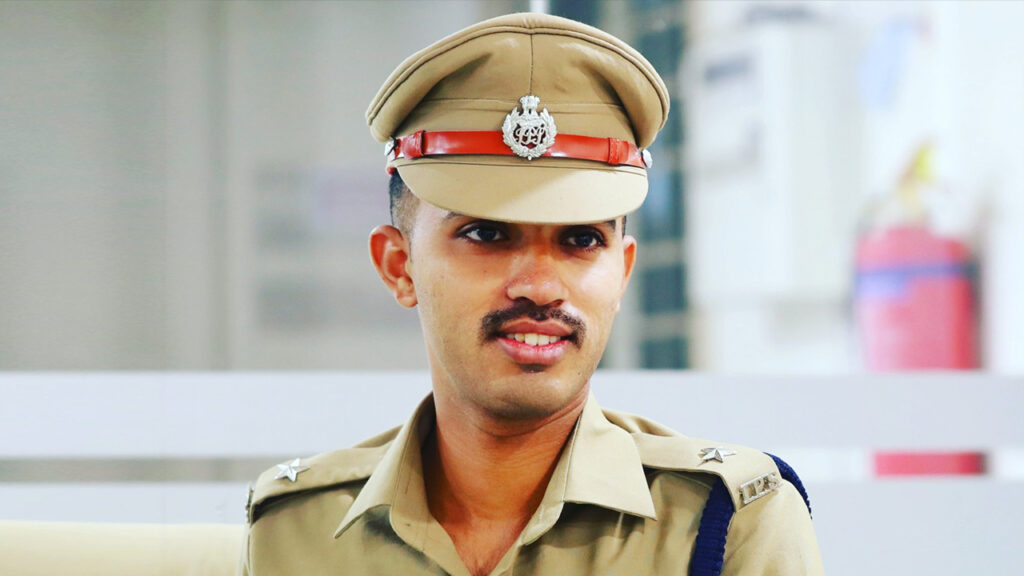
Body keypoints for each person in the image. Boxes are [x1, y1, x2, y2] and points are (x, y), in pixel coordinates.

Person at [239, 12, 823, 576]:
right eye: (487, 234)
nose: (541, 287)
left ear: (622, 273)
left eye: (581, 239)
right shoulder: (297, 533)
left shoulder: (725, 526)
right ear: (399, 267)